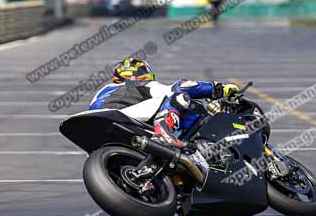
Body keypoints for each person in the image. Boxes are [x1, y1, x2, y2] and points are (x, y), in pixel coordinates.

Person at [89, 58, 239, 152]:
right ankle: (163, 133)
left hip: (93, 123)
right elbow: (182, 87)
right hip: (120, 116)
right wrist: (219, 89)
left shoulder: (104, 89)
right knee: (179, 97)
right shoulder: (145, 83)